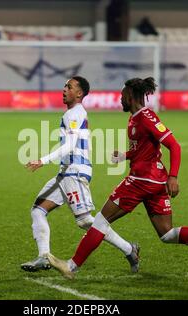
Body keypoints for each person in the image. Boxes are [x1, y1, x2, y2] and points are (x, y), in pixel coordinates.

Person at [47, 77, 188, 279]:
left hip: (141, 181)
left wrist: (174, 177)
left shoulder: (147, 117)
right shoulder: (134, 118)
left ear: (130, 96)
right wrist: (125, 156)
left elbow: (175, 146)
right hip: (155, 182)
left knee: (100, 221)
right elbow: (144, 151)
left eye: (122, 96)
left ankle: (71, 266)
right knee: (167, 233)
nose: (120, 100)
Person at [21, 76, 140, 273]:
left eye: (69, 86)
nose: (64, 89)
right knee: (37, 210)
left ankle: (129, 249)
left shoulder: (75, 114)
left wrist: (43, 160)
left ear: (79, 93)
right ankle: (44, 257)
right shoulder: (72, 113)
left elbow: (69, 145)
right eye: (64, 86)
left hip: (75, 172)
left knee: (85, 220)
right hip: (65, 173)